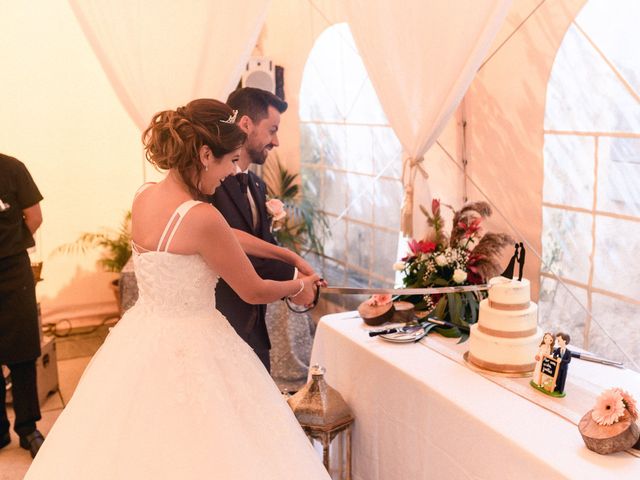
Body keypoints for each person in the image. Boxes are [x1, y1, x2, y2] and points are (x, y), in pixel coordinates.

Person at [24, 99, 330, 479]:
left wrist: (283, 252)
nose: (232, 173)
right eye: (230, 160)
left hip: (142, 335)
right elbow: (253, 289)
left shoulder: (145, 195)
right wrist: (299, 285)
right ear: (205, 154)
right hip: (194, 341)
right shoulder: (203, 217)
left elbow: (219, 236)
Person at [209, 87, 311, 371]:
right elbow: (228, 249)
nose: (276, 141)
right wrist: (296, 278)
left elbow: (262, 248)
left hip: (255, 332)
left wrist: (300, 273)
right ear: (245, 124)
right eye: (272, 130)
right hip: (219, 330)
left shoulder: (258, 186)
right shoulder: (208, 186)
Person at [0, 153, 45, 458]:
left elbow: (34, 216)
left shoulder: (12, 168)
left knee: (22, 349)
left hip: (13, 269)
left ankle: (28, 428)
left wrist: (11, 246)